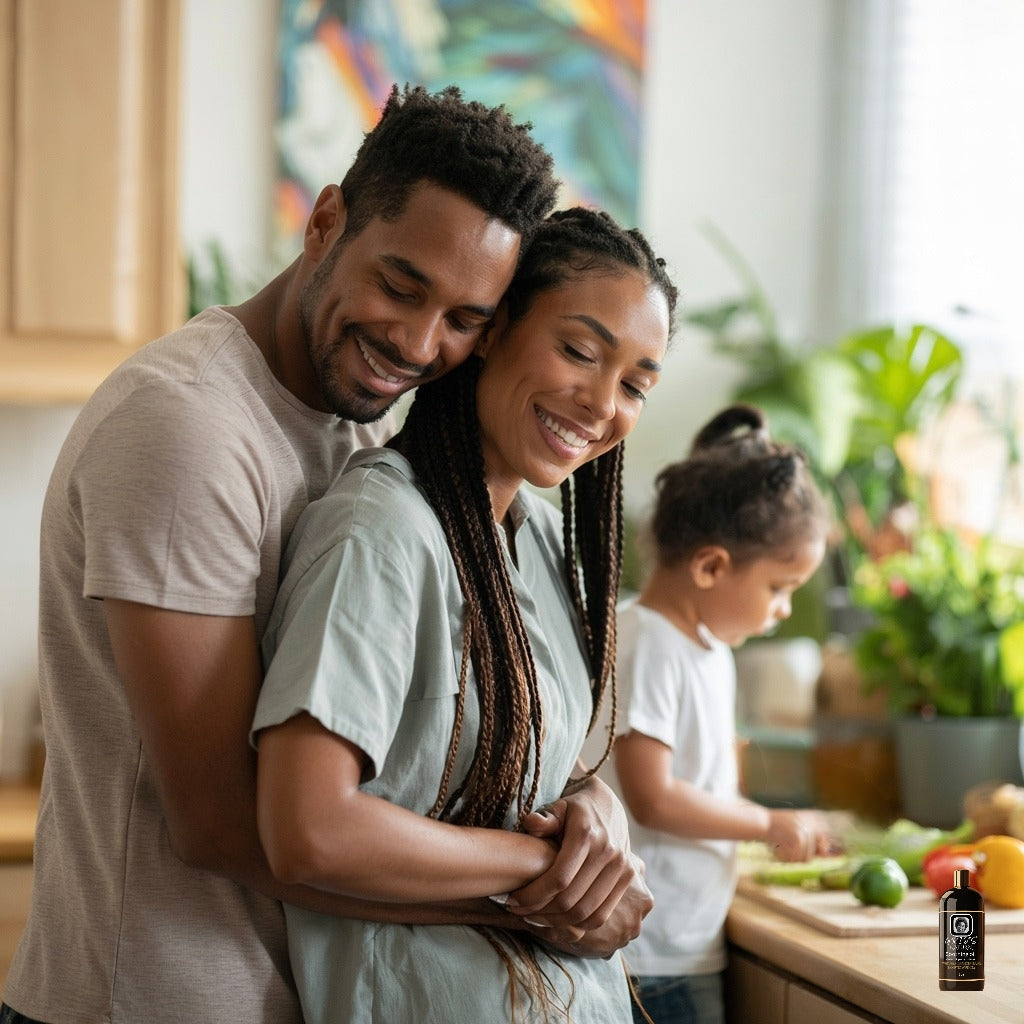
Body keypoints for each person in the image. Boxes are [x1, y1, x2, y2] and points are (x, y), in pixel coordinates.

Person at [0, 85, 648, 1024]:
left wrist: (594, 817)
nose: (420, 344)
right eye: (400, 284)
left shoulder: (359, 431)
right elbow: (226, 824)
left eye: (466, 319)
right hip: (149, 1000)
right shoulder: (187, 429)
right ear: (326, 220)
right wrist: (549, 888)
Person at [252, 206, 678, 1023]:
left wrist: (598, 809)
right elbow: (308, 829)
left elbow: (532, 764)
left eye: (634, 384)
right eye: (579, 351)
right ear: (493, 329)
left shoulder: (540, 535)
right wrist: (541, 870)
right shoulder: (379, 529)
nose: (601, 402)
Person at [605, 404, 836, 1024]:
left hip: (687, 947)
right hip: (651, 959)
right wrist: (764, 823)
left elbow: (707, 777)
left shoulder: (708, 648)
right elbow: (652, 797)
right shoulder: (648, 641)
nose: (784, 608)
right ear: (710, 566)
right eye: (779, 586)